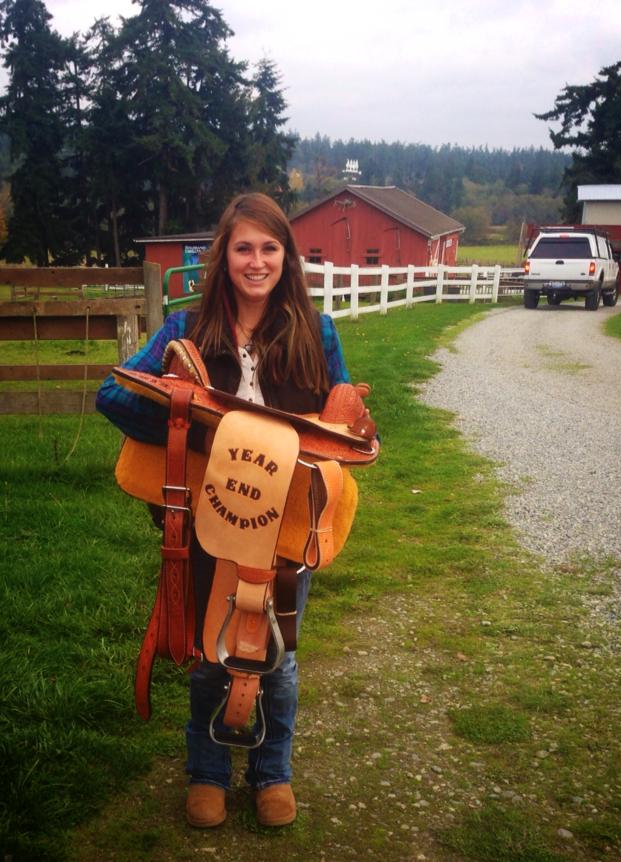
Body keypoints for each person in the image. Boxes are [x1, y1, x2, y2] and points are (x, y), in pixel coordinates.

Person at [96, 193, 351, 829]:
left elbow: (338, 432)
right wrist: (197, 441)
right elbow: (113, 394)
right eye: (243, 248)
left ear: (286, 257)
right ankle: (207, 773)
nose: (256, 261)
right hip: (212, 516)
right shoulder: (185, 330)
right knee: (211, 652)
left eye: (269, 248)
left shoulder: (317, 331)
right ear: (224, 256)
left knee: (279, 658)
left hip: (287, 522)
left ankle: (272, 773)